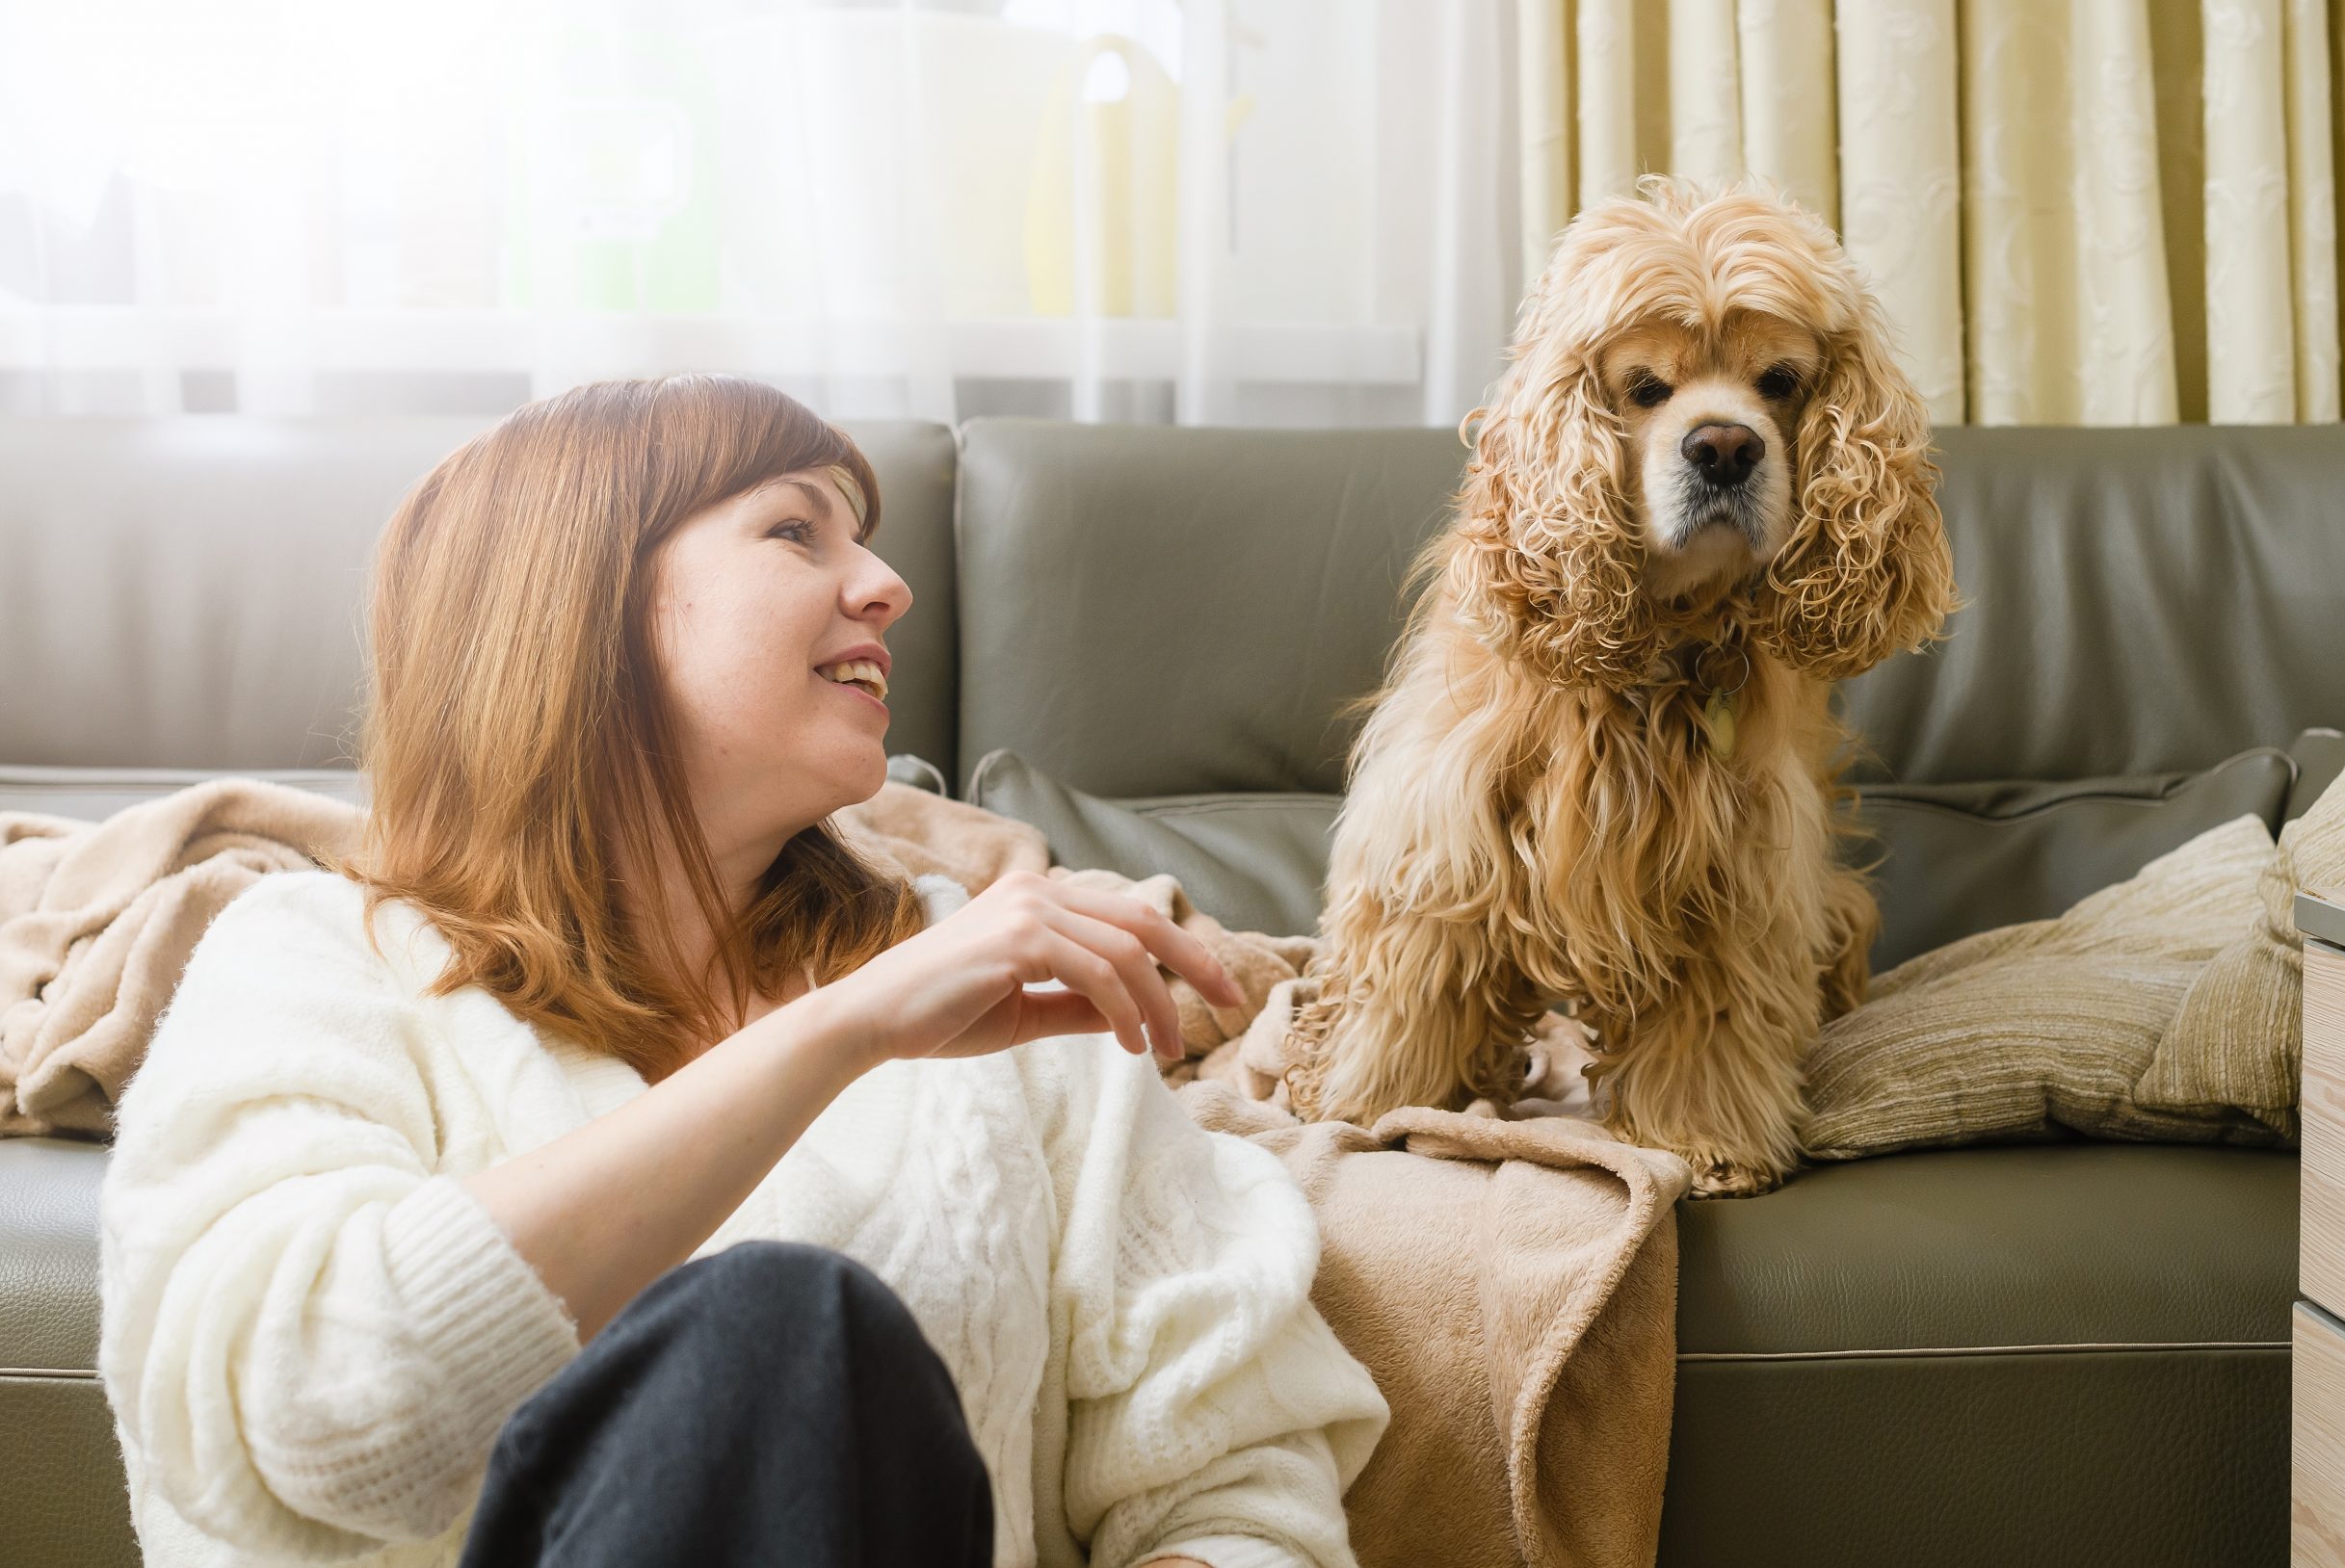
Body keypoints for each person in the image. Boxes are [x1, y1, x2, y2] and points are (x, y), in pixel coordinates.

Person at [95, 375, 1389, 1568]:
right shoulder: (317, 959)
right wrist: (843, 1031)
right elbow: (317, 1418)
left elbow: (1238, 1487)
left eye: (864, 540)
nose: (886, 586)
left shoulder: (1006, 998)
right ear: (579, 595)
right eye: (795, 532)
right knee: (778, 1335)